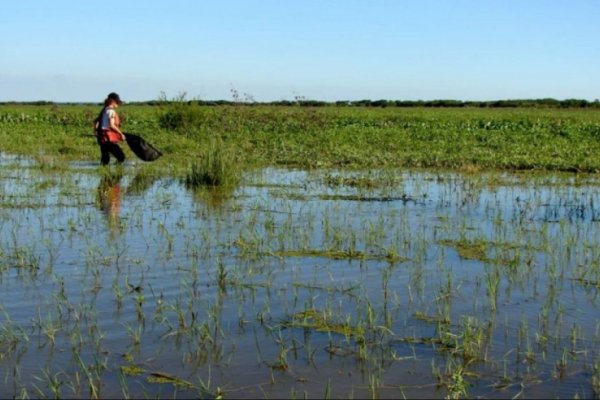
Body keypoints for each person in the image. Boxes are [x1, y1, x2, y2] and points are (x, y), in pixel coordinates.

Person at [94, 92, 126, 165]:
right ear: (112, 101)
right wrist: (121, 134)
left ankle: (104, 174)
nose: (118, 104)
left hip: (102, 138)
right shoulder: (111, 111)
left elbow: (95, 121)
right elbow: (111, 125)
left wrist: (95, 131)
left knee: (105, 160)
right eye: (117, 102)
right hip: (108, 138)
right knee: (121, 157)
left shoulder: (104, 110)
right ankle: (117, 174)